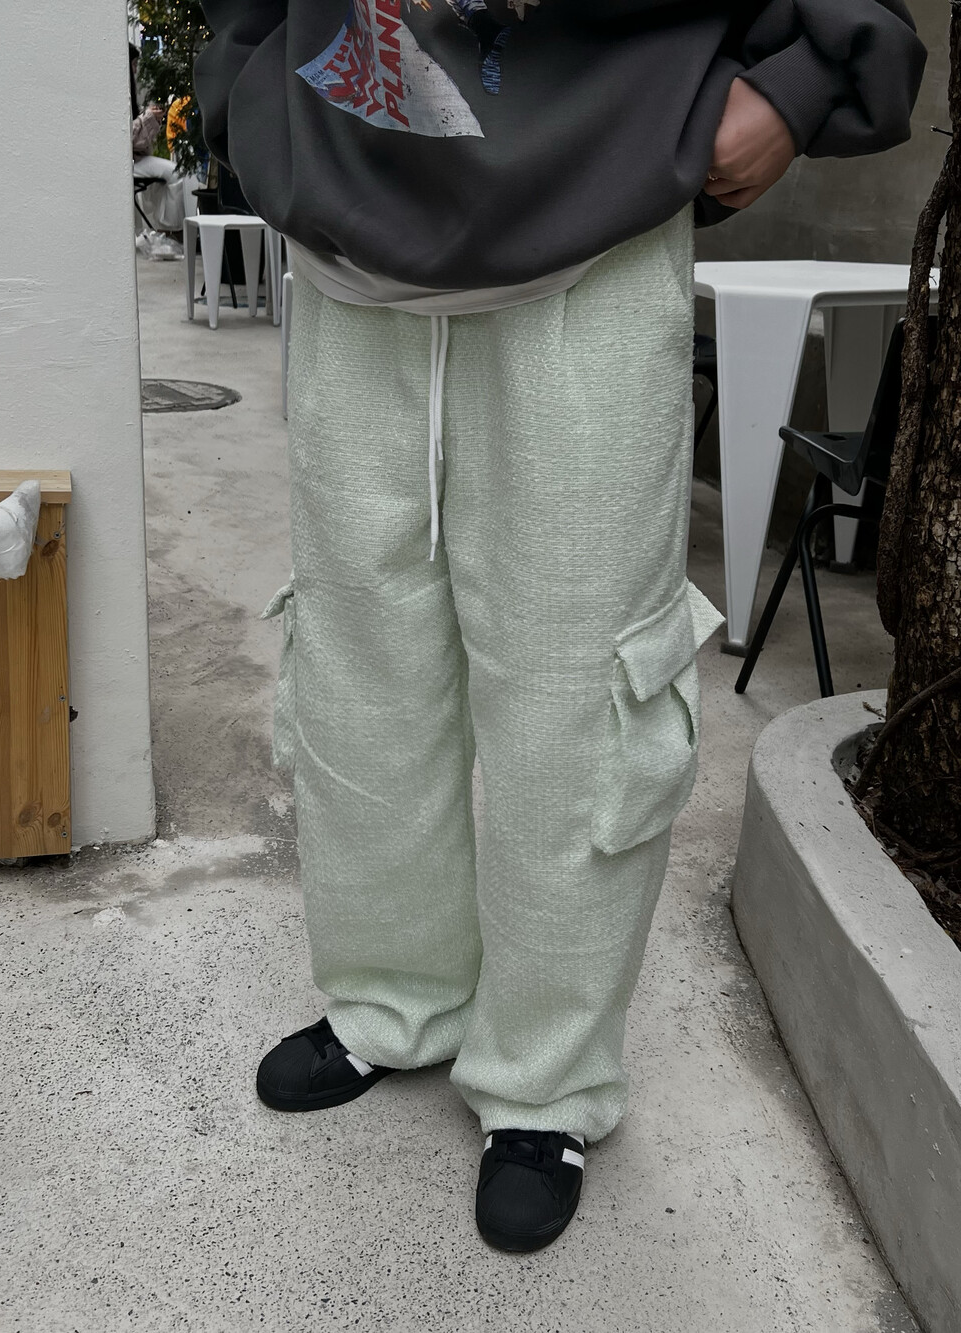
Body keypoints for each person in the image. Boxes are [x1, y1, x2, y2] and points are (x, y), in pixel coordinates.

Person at [194, 0, 925, 1253]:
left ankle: (544, 1081)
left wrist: (800, 82)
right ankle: (392, 1002)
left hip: (596, 218)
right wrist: (242, 93)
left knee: (577, 687)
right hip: (348, 234)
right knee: (361, 671)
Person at [130, 43, 195, 236]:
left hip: (136, 158)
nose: (136, 70)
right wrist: (148, 118)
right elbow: (129, 138)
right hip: (131, 161)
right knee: (176, 173)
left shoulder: (129, 92)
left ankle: (165, 227)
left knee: (174, 173)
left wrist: (150, 119)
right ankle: (169, 229)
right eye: (134, 64)